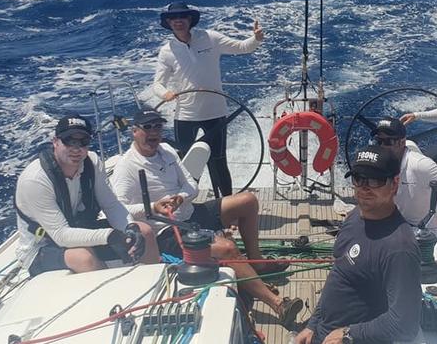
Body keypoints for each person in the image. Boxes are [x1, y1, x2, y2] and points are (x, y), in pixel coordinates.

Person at [110, 110, 302, 327]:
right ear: (134, 132)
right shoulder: (126, 167)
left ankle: (256, 264)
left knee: (248, 201)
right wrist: (154, 207)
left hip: (191, 212)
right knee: (227, 248)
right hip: (167, 230)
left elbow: (191, 185)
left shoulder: (166, 150)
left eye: (157, 126)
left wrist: (181, 197)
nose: (154, 132)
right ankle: (277, 304)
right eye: (147, 127)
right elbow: (118, 209)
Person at [295, 145, 421, 344]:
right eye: (359, 179)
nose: (364, 187)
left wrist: (348, 334)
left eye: (375, 180)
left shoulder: (399, 248)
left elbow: (405, 324)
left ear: (394, 184)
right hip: (322, 333)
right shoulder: (354, 216)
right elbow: (339, 272)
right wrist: (313, 323)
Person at [15, 114, 160, 277]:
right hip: (42, 246)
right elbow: (61, 235)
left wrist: (129, 228)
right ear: (55, 142)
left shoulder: (92, 161)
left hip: (79, 228)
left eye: (83, 142)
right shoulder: (35, 180)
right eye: (69, 141)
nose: (76, 149)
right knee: (83, 257)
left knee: (144, 232)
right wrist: (110, 236)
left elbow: (111, 205)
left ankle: (154, 287)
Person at [151, 1, 264, 198]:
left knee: (219, 161)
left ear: (190, 19)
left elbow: (242, 47)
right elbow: (157, 84)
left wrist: (255, 39)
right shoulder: (166, 51)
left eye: (183, 17)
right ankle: (187, 207)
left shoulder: (210, 38)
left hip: (215, 112)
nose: (178, 21)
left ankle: (227, 205)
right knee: (187, 164)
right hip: (185, 116)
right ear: (168, 22)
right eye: (174, 18)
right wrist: (165, 94)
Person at [374, 117, 437, 237]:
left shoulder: (420, 165)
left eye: (388, 142)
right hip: (402, 226)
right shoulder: (380, 163)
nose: (382, 146)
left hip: (433, 233)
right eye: (379, 141)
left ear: (402, 142)